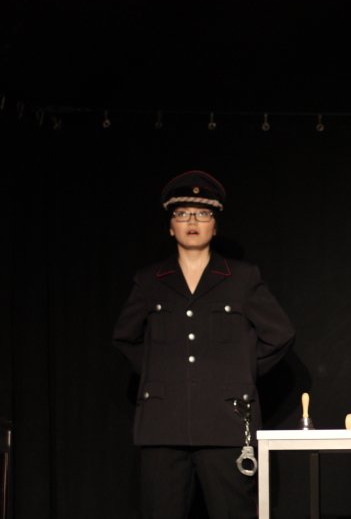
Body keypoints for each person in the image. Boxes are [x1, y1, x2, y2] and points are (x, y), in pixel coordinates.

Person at [112, 169, 296, 519]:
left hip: (225, 421)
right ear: (171, 226)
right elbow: (125, 336)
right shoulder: (150, 281)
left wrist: (239, 372)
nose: (192, 221)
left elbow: (280, 333)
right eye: (182, 213)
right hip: (162, 424)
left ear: (215, 225)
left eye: (202, 213)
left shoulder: (242, 278)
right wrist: (159, 371)